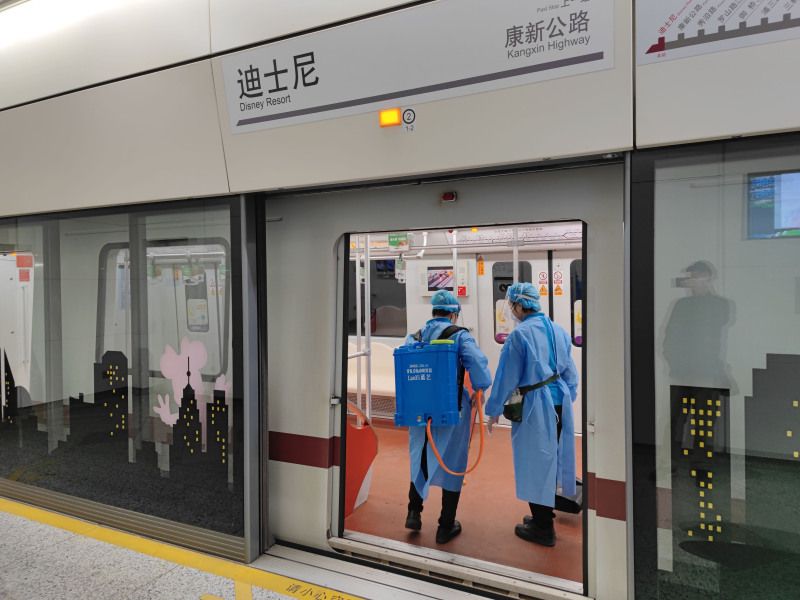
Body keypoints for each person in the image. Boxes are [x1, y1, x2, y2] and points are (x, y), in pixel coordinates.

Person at [485, 282, 578, 547]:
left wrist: (493, 410)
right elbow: (571, 374)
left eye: (510, 305)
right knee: (551, 460)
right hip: (559, 404)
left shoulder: (519, 336)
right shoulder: (559, 331)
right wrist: (565, 398)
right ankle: (543, 515)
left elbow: (506, 377)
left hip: (535, 407)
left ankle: (543, 528)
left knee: (534, 463)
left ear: (517, 305)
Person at [404, 290, 492, 544]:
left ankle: (413, 513)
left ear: (433, 312)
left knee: (420, 458)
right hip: (451, 410)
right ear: (453, 314)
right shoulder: (460, 336)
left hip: (419, 410)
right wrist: (480, 389)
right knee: (453, 462)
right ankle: (445, 525)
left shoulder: (414, 336)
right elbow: (479, 367)